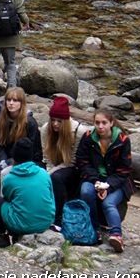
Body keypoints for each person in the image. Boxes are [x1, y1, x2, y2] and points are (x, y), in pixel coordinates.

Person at [75, 109, 134, 253]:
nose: (100, 126)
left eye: (104, 123)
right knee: (86, 191)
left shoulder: (122, 141)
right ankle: (95, 228)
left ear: (111, 123)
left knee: (109, 203)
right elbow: (82, 162)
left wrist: (108, 186)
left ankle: (116, 235)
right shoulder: (88, 138)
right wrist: (95, 181)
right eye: (97, 123)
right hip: (94, 178)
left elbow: (124, 170)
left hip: (117, 182)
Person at [0, 137, 56, 247]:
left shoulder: (10, 178)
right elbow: (51, 198)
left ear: (14, 156)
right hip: (45, 223)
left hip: (20, 226)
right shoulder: (44, 173)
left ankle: (0, 235)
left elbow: (7, 200)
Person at [42, 96, 91, 229]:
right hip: (53, 164)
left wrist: (50, 173)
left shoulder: (78, 132)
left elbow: (72, 161)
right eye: (53, 120)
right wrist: (48, 171)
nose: (55, 124)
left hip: (72, 168)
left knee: (56, 178)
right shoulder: (46, 129)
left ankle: (58, 220)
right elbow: (46, 157)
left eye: (59, 121)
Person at [0, 87, 42, 191]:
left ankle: (2, 203)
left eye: (15, 100)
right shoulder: (2, 119)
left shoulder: (29, 123)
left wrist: (11, 162)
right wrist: (2, 159)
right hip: (6, 157)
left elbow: (32, 149)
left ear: (21, 103)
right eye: (8, 100)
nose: (11, 103)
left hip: (24, 160)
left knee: (6, 173)